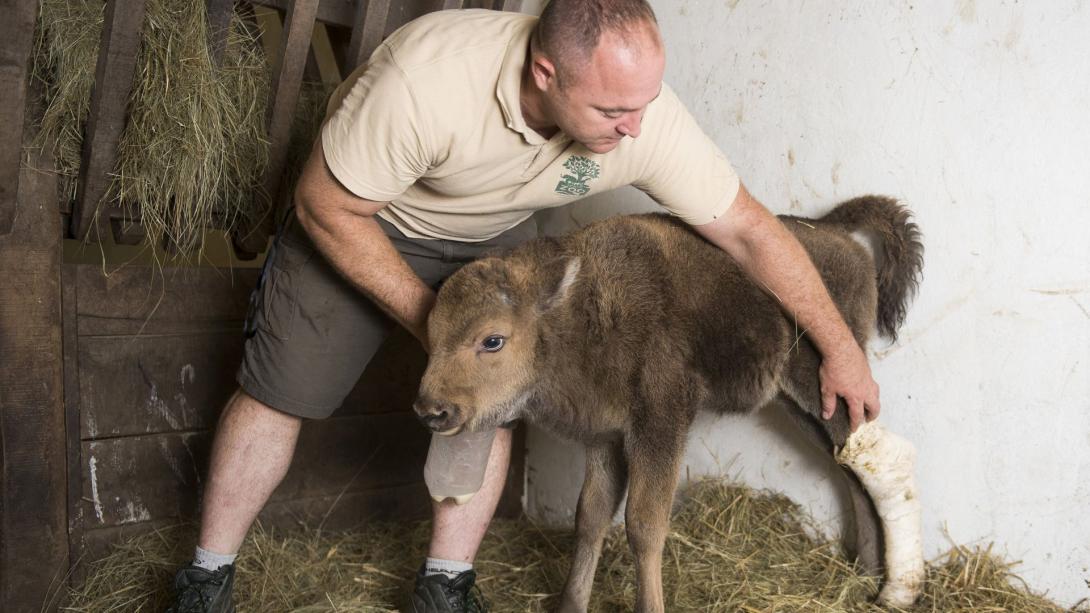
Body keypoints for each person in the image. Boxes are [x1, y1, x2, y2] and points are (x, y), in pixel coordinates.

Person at [165, 1, 881, 611]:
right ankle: (206, 572)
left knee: (498, 399)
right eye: (612, 109)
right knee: (278, 391)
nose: (635, 127)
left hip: (490, 243)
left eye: (643, 105)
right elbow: (324, 204)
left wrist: (841, 348)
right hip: (366, 218)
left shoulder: (638, 116)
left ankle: (446, 584)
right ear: (546, 74)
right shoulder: (429, 81)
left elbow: (753, 232)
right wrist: (445, 329)